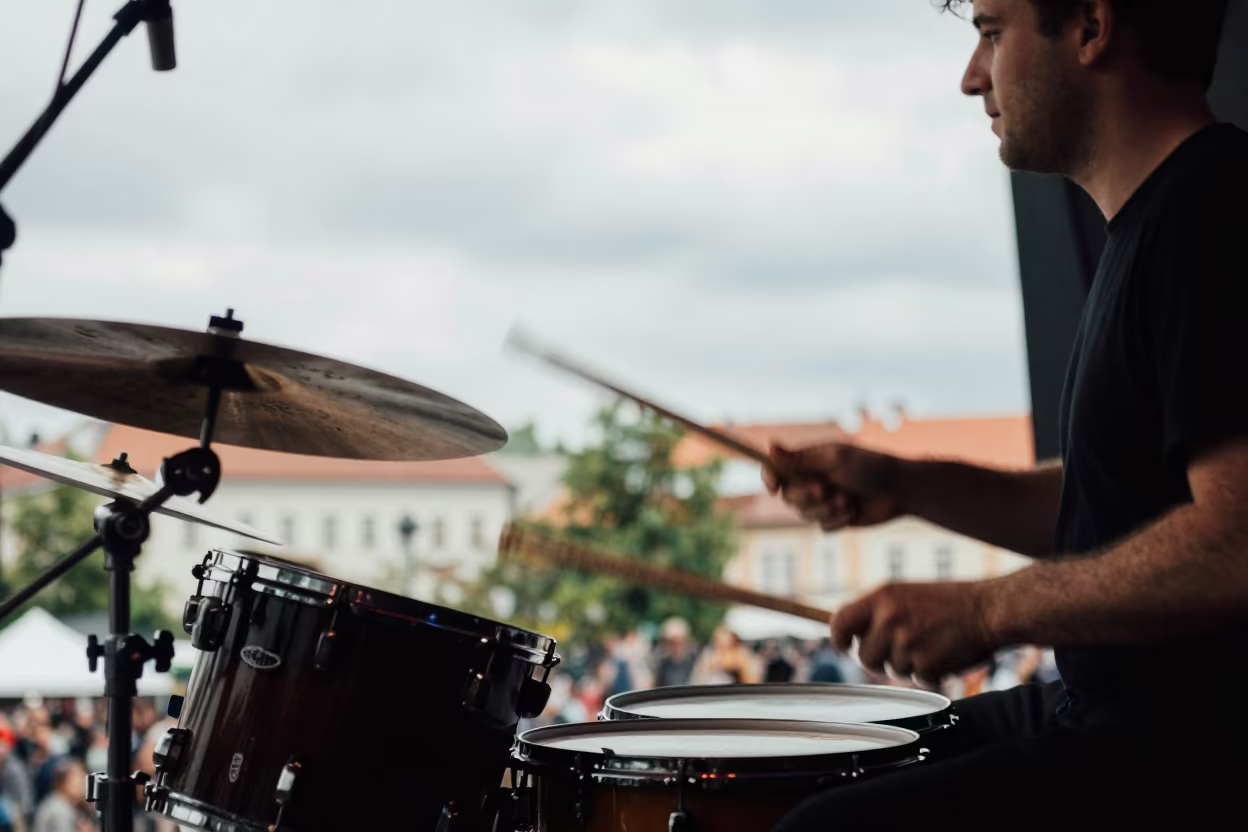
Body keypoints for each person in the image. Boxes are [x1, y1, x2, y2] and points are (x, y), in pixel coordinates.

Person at [766, 1, 1245, 827]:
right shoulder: (1156, 222)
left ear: (1092, 27)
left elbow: (1236, 542)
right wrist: (902, 482)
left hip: (1183, 753)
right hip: (1102, 713)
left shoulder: (1216, 207)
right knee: (811, 762)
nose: (970, 77)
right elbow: (1121, 511)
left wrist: (988, 609)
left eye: (990, 32)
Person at [31, 758, 91, 832]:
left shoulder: (61, 802)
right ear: (64, 783)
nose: (83, 786)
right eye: (79, 780)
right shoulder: (59, 810)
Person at [691, 626, 761, 684]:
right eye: (719, 643)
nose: (722, 649)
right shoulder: (708, 655)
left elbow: (751, 681)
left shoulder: (743, 657)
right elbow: (698, 679)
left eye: (726, 646)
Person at [651, 618, 698, 688]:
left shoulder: (695, 662)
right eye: (668, 642)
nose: (672, 647)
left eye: (674, 642)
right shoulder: (663, 665)